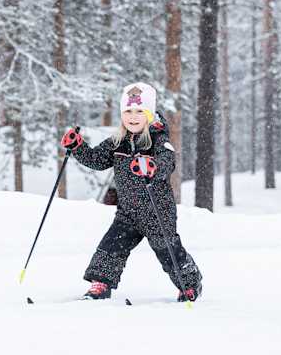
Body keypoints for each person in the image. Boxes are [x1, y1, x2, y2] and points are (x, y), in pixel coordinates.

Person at [60, 82, 203, 302]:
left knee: (168, 251)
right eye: (128, 111)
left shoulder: (158, 139)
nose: (133, 117)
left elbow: (167, 160)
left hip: (157, 211)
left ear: (149, 114)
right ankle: (100, 284)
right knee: (111, 246)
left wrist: (153, 167)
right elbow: (97, 159)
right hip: (127, 211)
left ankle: (190, 285)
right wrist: (77, 147)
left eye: (139, 111)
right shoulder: (118, 142)